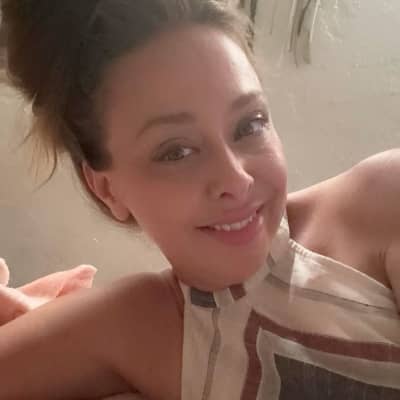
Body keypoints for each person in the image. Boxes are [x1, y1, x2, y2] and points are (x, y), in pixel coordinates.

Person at [0, 0, 399, 399]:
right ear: (106, 189)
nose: (237, 180)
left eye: (250, 124)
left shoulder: (379, 203)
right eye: (176, 152)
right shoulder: (136, 327)